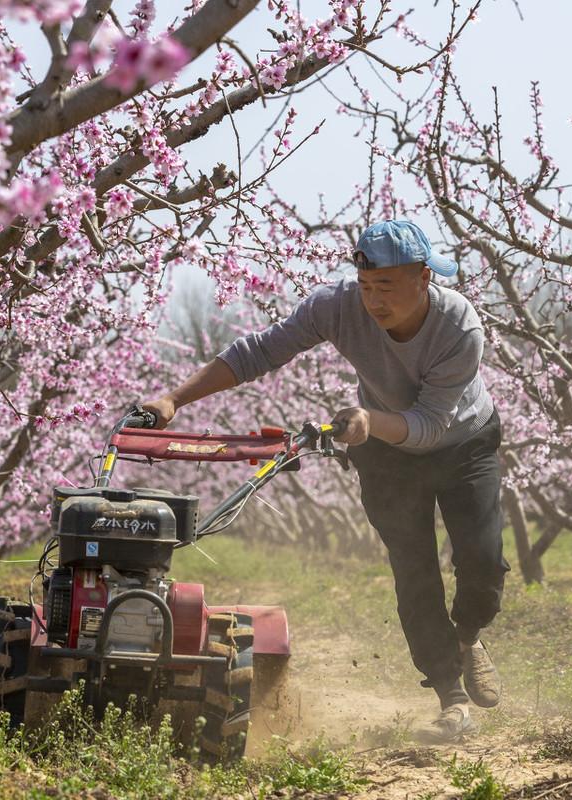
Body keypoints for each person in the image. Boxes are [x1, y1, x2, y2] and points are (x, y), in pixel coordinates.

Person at [142, 219, 508, 743]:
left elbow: (430, 426)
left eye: (386, 287)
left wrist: (368, 421)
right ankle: (450, 697)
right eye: (365, 287)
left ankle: (468, 635)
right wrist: (174, 399)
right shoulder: (336, 306)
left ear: (424, 278)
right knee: (414, 567)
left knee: (483, 560)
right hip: (382, 449)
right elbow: (259, 351)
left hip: (461, 441)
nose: (373, 301)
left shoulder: (459, 327)